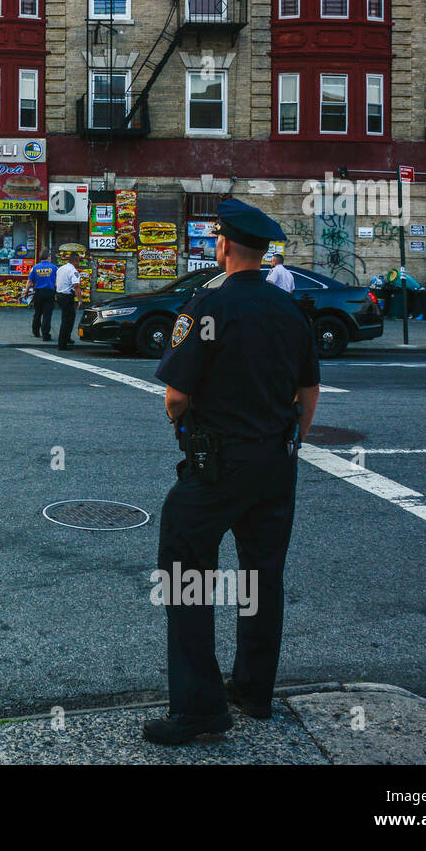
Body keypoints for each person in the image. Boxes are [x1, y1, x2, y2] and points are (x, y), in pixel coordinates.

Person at [145, 198, 320, 746]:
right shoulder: (290, 308)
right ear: (263, 252)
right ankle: (253, 690)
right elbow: (309, 392)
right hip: (276, 461)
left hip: (217, 464)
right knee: (262, 576)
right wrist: (289, 440)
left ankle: (199, 708)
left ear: (223, 246)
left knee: (186, 574)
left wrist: (182, 424)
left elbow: (176, 395)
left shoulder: (208, 305)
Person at [22, 251, 58, 341]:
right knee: (47, 315)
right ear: (48, 257)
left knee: (37, 313)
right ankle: (46, 335)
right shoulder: (54, 267)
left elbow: (29, 281)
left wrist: (26, 292)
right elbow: (56, 282)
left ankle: (36, 332)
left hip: (38, 293)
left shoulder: (35, 267)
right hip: (50, 292)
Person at [54, 252, 83, 350]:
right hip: (67, 297)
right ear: (75, 261)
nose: (79, 263)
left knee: (68, 317)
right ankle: (62, 344)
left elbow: (56, 283)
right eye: (78, 261)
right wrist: (80, 300)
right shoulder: (73, 271)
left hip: (59, 295)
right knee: (67, 320)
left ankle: (67, 338)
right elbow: (76, 286)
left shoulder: (61, 269)